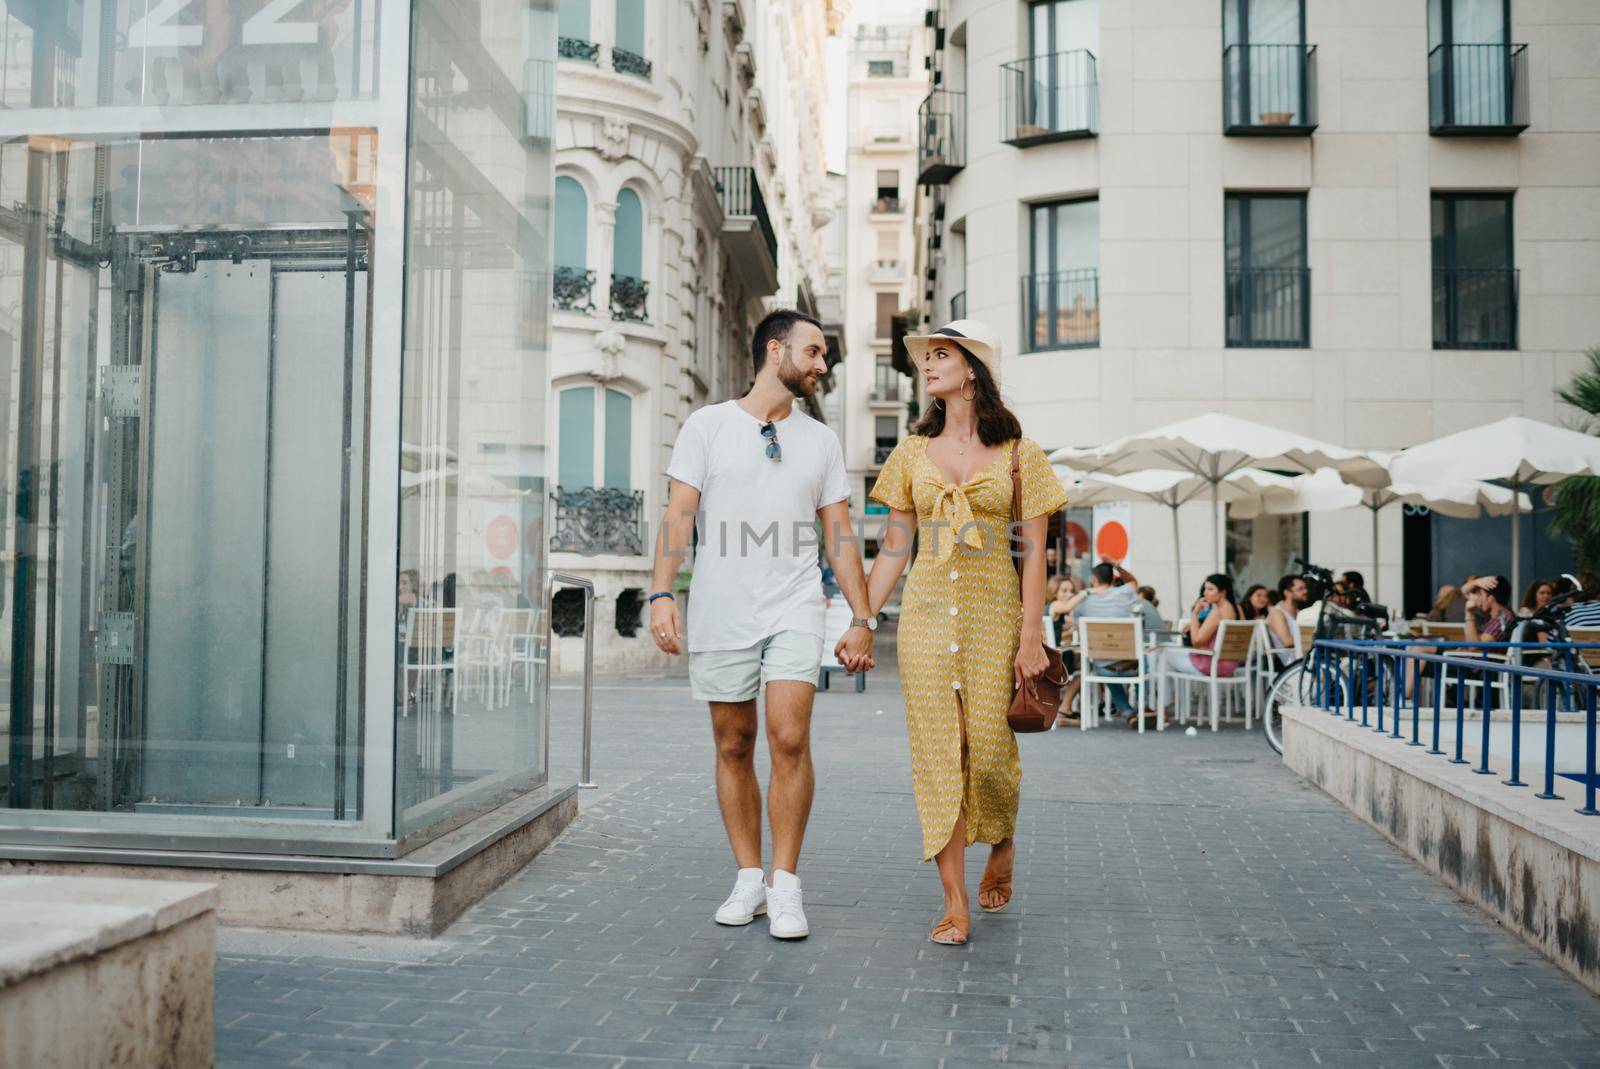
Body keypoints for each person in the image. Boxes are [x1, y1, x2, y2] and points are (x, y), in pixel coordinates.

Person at [648, 309, 875, 941]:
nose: (822, 365)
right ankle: (748, 876)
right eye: (815, 352)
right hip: (721, 607)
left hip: (795, 604)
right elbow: (678, 514)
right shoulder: (707, 427)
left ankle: (785, 884)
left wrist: (861, 616)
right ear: (776, 352)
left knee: (789, 736)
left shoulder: (820, 441)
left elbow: (840, 535)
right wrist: (661, 592)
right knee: (733, 741)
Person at [865, 318, 1064, 947]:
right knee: (938, 755)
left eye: (941, 355)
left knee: (992, 748)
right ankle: (953, 901)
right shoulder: (909, 453)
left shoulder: (1020, 455)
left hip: (995, 615)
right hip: (924, 617)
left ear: (971, 369)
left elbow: (1035, 554)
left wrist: (1032, 634)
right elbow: (895, 545)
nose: (927, 365)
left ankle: (1002, 837)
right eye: (925, 357)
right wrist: (861, 618)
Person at [1054, 561, 1149, 728]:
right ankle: (1143, 708)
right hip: (1132, 666)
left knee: (1102, 662)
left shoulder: (1084, 602)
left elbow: (1075, 623)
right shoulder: (1124, 593)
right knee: (1145, 660)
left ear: (1093, 580)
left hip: (1105, 669)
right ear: (1113, 579)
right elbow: (1133, 583)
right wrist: (1117, 565)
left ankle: (1128, 712)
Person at [1158, 575, 1242, 702]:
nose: (1205, 593)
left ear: (1223, 592)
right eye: (1205, 589)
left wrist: (1195, 614)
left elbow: (1196, 642)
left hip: (1212, 665)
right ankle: (1166, 704)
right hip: (1230, 664)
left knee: (1162, 652)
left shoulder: (1217, 613)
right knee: (1166, 659)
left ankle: (1162, 707)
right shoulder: (1235, 609)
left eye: (1210, 589)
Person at [1266, 573, 1308, 665]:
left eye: (1305, 588)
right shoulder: (1277, 613)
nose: (1305, 591)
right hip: (1290, 663)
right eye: (1300, 589)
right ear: (1287, 593)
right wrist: (1311, 638)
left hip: (1303, 657)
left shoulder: (1299, 612)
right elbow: (1287, 642)